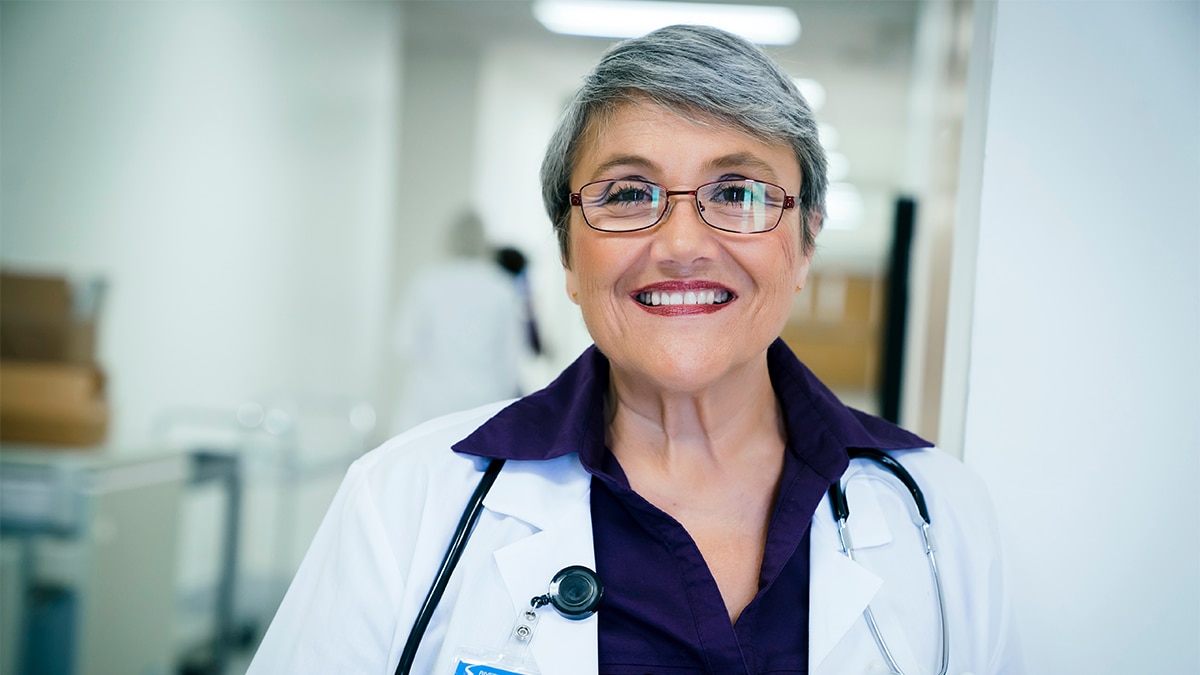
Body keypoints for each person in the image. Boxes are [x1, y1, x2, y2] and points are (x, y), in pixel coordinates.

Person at [249, 25, 1021, 674]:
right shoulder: (402, 503)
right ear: (568, 253)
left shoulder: (940, 519)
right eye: (626, 194)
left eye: (737, 193)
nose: (682, 243)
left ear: (805, 243)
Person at [389, 210, 527, 435]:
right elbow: (511, 358)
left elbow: (405, 345)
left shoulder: (427, 283)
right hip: (484, 408)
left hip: (430, 408)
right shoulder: (501, 286)